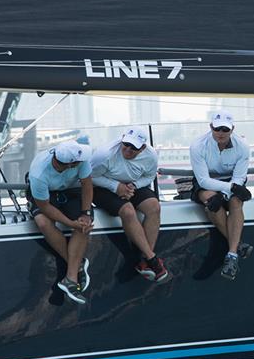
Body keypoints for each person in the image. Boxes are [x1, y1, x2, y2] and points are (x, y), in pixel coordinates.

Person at [91, 126, 167, 282]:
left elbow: (149, 176)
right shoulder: (104, 154)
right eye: (126, 144)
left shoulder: (151, 156)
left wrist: (133, 186)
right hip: (102, 187)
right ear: (122, 139)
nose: (128, 149)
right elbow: (89, 177)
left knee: (154, 207)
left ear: (143, 148)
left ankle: (144, 260)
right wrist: (116, 187)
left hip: (132, 185)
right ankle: (152, 259)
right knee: (128, 211)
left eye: (134, 147)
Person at [26, 140, 94, 304]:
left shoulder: (80, 159)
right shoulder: (39, 173)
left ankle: (70, 278)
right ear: (70, 164)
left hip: (70, 189)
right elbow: (44, 206)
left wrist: (85, 214)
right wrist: (71, 224)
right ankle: (78, 264)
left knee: (84, 223)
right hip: (46, 194)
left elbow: (87, 185)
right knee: (42, 222)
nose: (81, 161)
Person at [190, 110, 253, 281]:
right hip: (208, 181)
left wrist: (228, 191)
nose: (221, 133)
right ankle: (237, 245)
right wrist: (229, 188)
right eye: (217, 129)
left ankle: (231, 255)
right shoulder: (197, 146)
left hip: (232, 181)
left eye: (225, 129)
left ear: (233, 129)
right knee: (213, 202)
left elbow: (239, 178)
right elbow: (203, 181)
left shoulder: (243, 146)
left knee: (236, 202)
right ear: (211, 127)